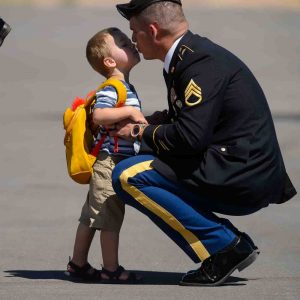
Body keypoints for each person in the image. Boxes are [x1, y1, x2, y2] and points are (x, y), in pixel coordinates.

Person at [111, 0, 297, 286]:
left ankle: (225, 247)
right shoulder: (188, 56)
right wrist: (143, 126)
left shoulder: (199, 65)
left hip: (241, 174)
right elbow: (188, 124)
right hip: (232, 164)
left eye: (134, 32)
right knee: (132, 160)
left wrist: (138, 132)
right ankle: (225, 243)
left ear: (153, 30)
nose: (134, 40)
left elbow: (189, 137)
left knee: (128, 176)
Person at [66, 27, 146, 283]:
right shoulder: (114, 88)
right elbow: (99, 115)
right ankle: (111, 270)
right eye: (123, 42)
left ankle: (78, 264)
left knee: (92, 215)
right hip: (110, 161)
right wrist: (133, 114)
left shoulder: (123, 86)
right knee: (110, 215)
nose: (131, 43)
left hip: (109, 159)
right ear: (110, 61)